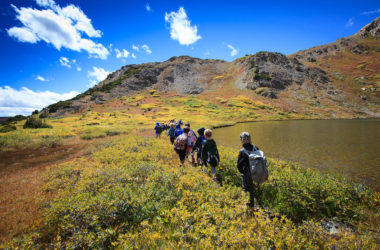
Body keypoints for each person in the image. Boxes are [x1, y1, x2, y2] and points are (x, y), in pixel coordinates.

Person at [237, 132, 257, 208]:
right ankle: (252, 203)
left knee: (245, 189)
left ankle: (247, 204)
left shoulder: (242, 151)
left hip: (246, 173)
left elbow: (239, 165)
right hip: (255, 172)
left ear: (242, 140)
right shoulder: (255, 147)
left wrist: (243, 172)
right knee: (251, 189)